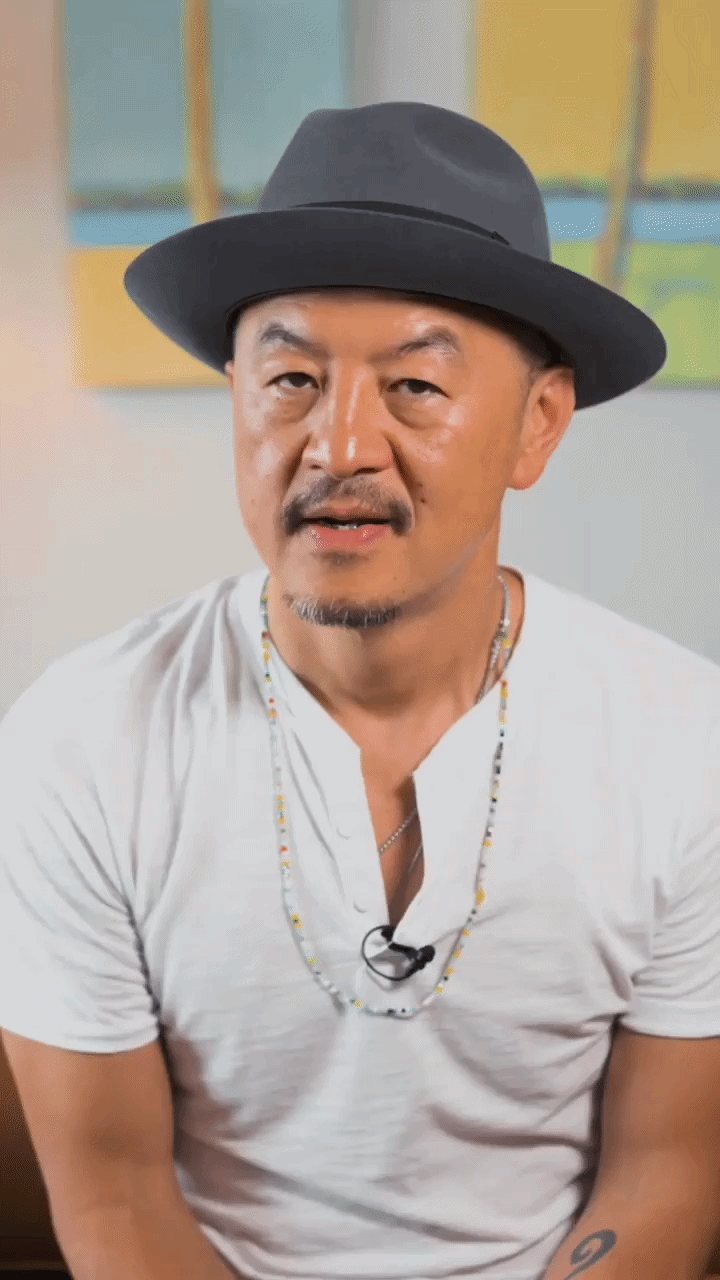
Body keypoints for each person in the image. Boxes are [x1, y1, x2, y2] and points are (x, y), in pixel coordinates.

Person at [1, 101, 720, 1280]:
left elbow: (663, 1173)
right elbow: (119, 1201)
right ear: (234, 395)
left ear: (537, 426)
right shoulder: (81, 741)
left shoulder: (682, 740)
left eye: (416, 388)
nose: (340, 444)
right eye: (288, 377)